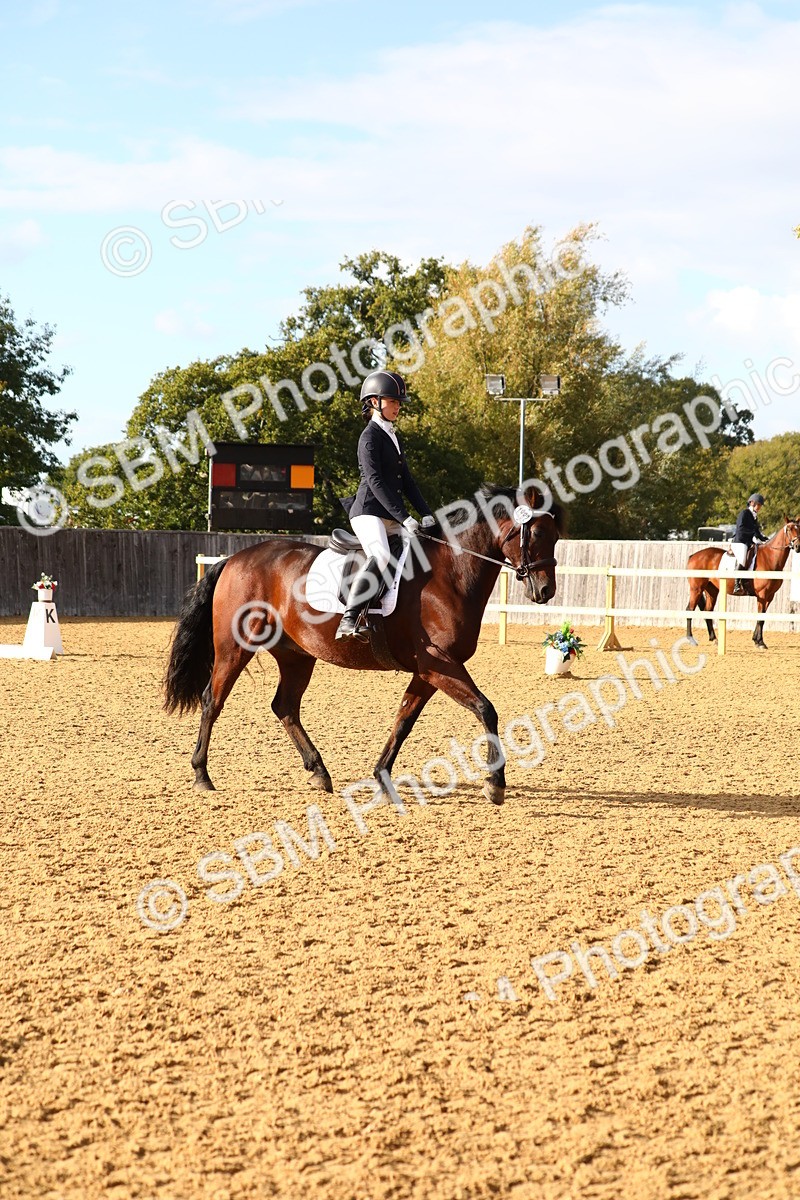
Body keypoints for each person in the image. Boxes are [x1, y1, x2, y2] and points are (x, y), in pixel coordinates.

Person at [336, 369, 436, 640]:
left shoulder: (392, 436)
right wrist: (404, 517)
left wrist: (426, 513)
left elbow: (408, 482)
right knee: (380, 555)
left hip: (390, 515)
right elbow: (375, 482)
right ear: (374, 402)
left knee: (418, 553)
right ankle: (349, 618)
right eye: (392, 401)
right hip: (368, 512)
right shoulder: (369, 437)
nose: (397, 407)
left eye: (398, 402)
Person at [731, 492, 769, 596]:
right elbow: (741, 528)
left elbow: (756, 531)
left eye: (760, 505)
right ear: (752, 503)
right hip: (740, 541)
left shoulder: (754, 516)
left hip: (748, 542)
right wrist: (752, 534)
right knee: (743, 559)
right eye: (758, 505)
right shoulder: (744, 513)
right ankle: (736, 584)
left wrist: (764, 538)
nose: (759, 507)